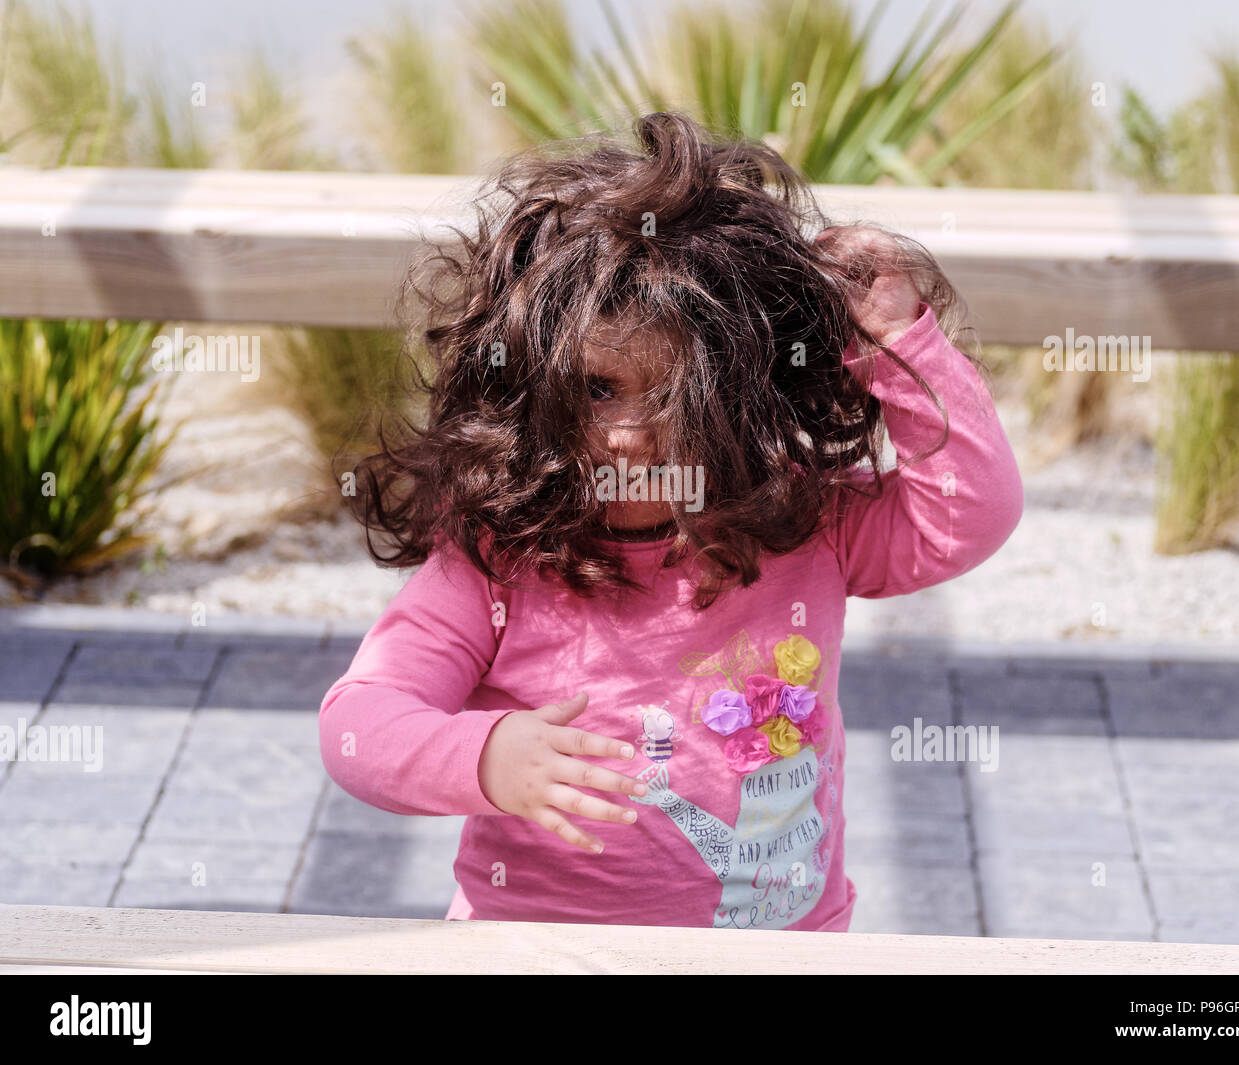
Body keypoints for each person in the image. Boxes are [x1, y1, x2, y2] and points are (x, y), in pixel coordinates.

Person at [318, 112, 1023, 931]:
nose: (627, 432)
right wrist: (485, 756)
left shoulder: (800, 519)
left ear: (743, 392)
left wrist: (896, 340)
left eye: (672, 394)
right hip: (538, 951)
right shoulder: (497, 561)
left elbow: (970, 515)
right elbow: (359, 726)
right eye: (595, 388)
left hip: (785, 948)